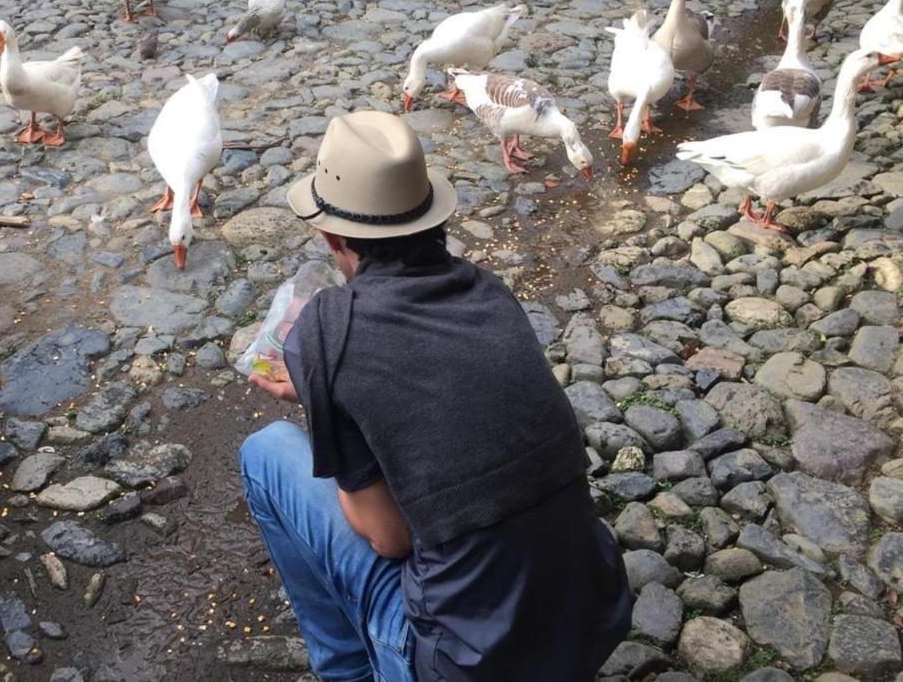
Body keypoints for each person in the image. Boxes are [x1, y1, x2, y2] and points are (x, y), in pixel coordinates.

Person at [240, 111, 632, 682]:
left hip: (462, 666)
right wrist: (332, 389)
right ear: (431, 217)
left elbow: (390, 538)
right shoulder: (488, 293)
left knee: (266, 453)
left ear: (330, 235)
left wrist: (323, 385)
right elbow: (449, 405)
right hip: (588, 623)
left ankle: (350, 672)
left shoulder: (327, 330)